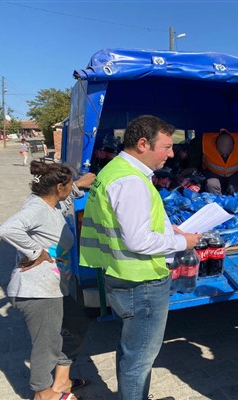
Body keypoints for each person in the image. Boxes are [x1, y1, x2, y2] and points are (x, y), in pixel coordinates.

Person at [79, 115, 201, 400]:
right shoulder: (131, 182)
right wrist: (183, 241)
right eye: (167, 147)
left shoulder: (115, 170)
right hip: (141, 281)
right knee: (140, 359)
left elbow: (127, 224)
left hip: (122, 276)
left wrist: (164, 228)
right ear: (143, 144)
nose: (172, 154)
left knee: (131, 350)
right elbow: (137, 240)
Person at [0, 161, 89, 400]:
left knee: (76, 324)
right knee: (46, 345)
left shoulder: (48, 203)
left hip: (51, 288)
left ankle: (62, 381)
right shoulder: (38, 208)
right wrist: (36, 252)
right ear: (59, 187)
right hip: (37, 292)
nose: (70, 189)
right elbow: (8, 229)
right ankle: (42, 392)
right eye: (69, 185)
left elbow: (63, 202)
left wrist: (78, 184)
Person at [170, 128, 238, 195]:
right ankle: (217, 208)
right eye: (221, 152)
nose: (224, 155)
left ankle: (234, 208)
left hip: (236, 172)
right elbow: (193, 148)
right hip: (212, 172)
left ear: (233, 145)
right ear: (216, 144)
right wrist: (193, 165)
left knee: (235, 189)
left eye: (227, 152)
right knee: (211, 185)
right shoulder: (204, 140)